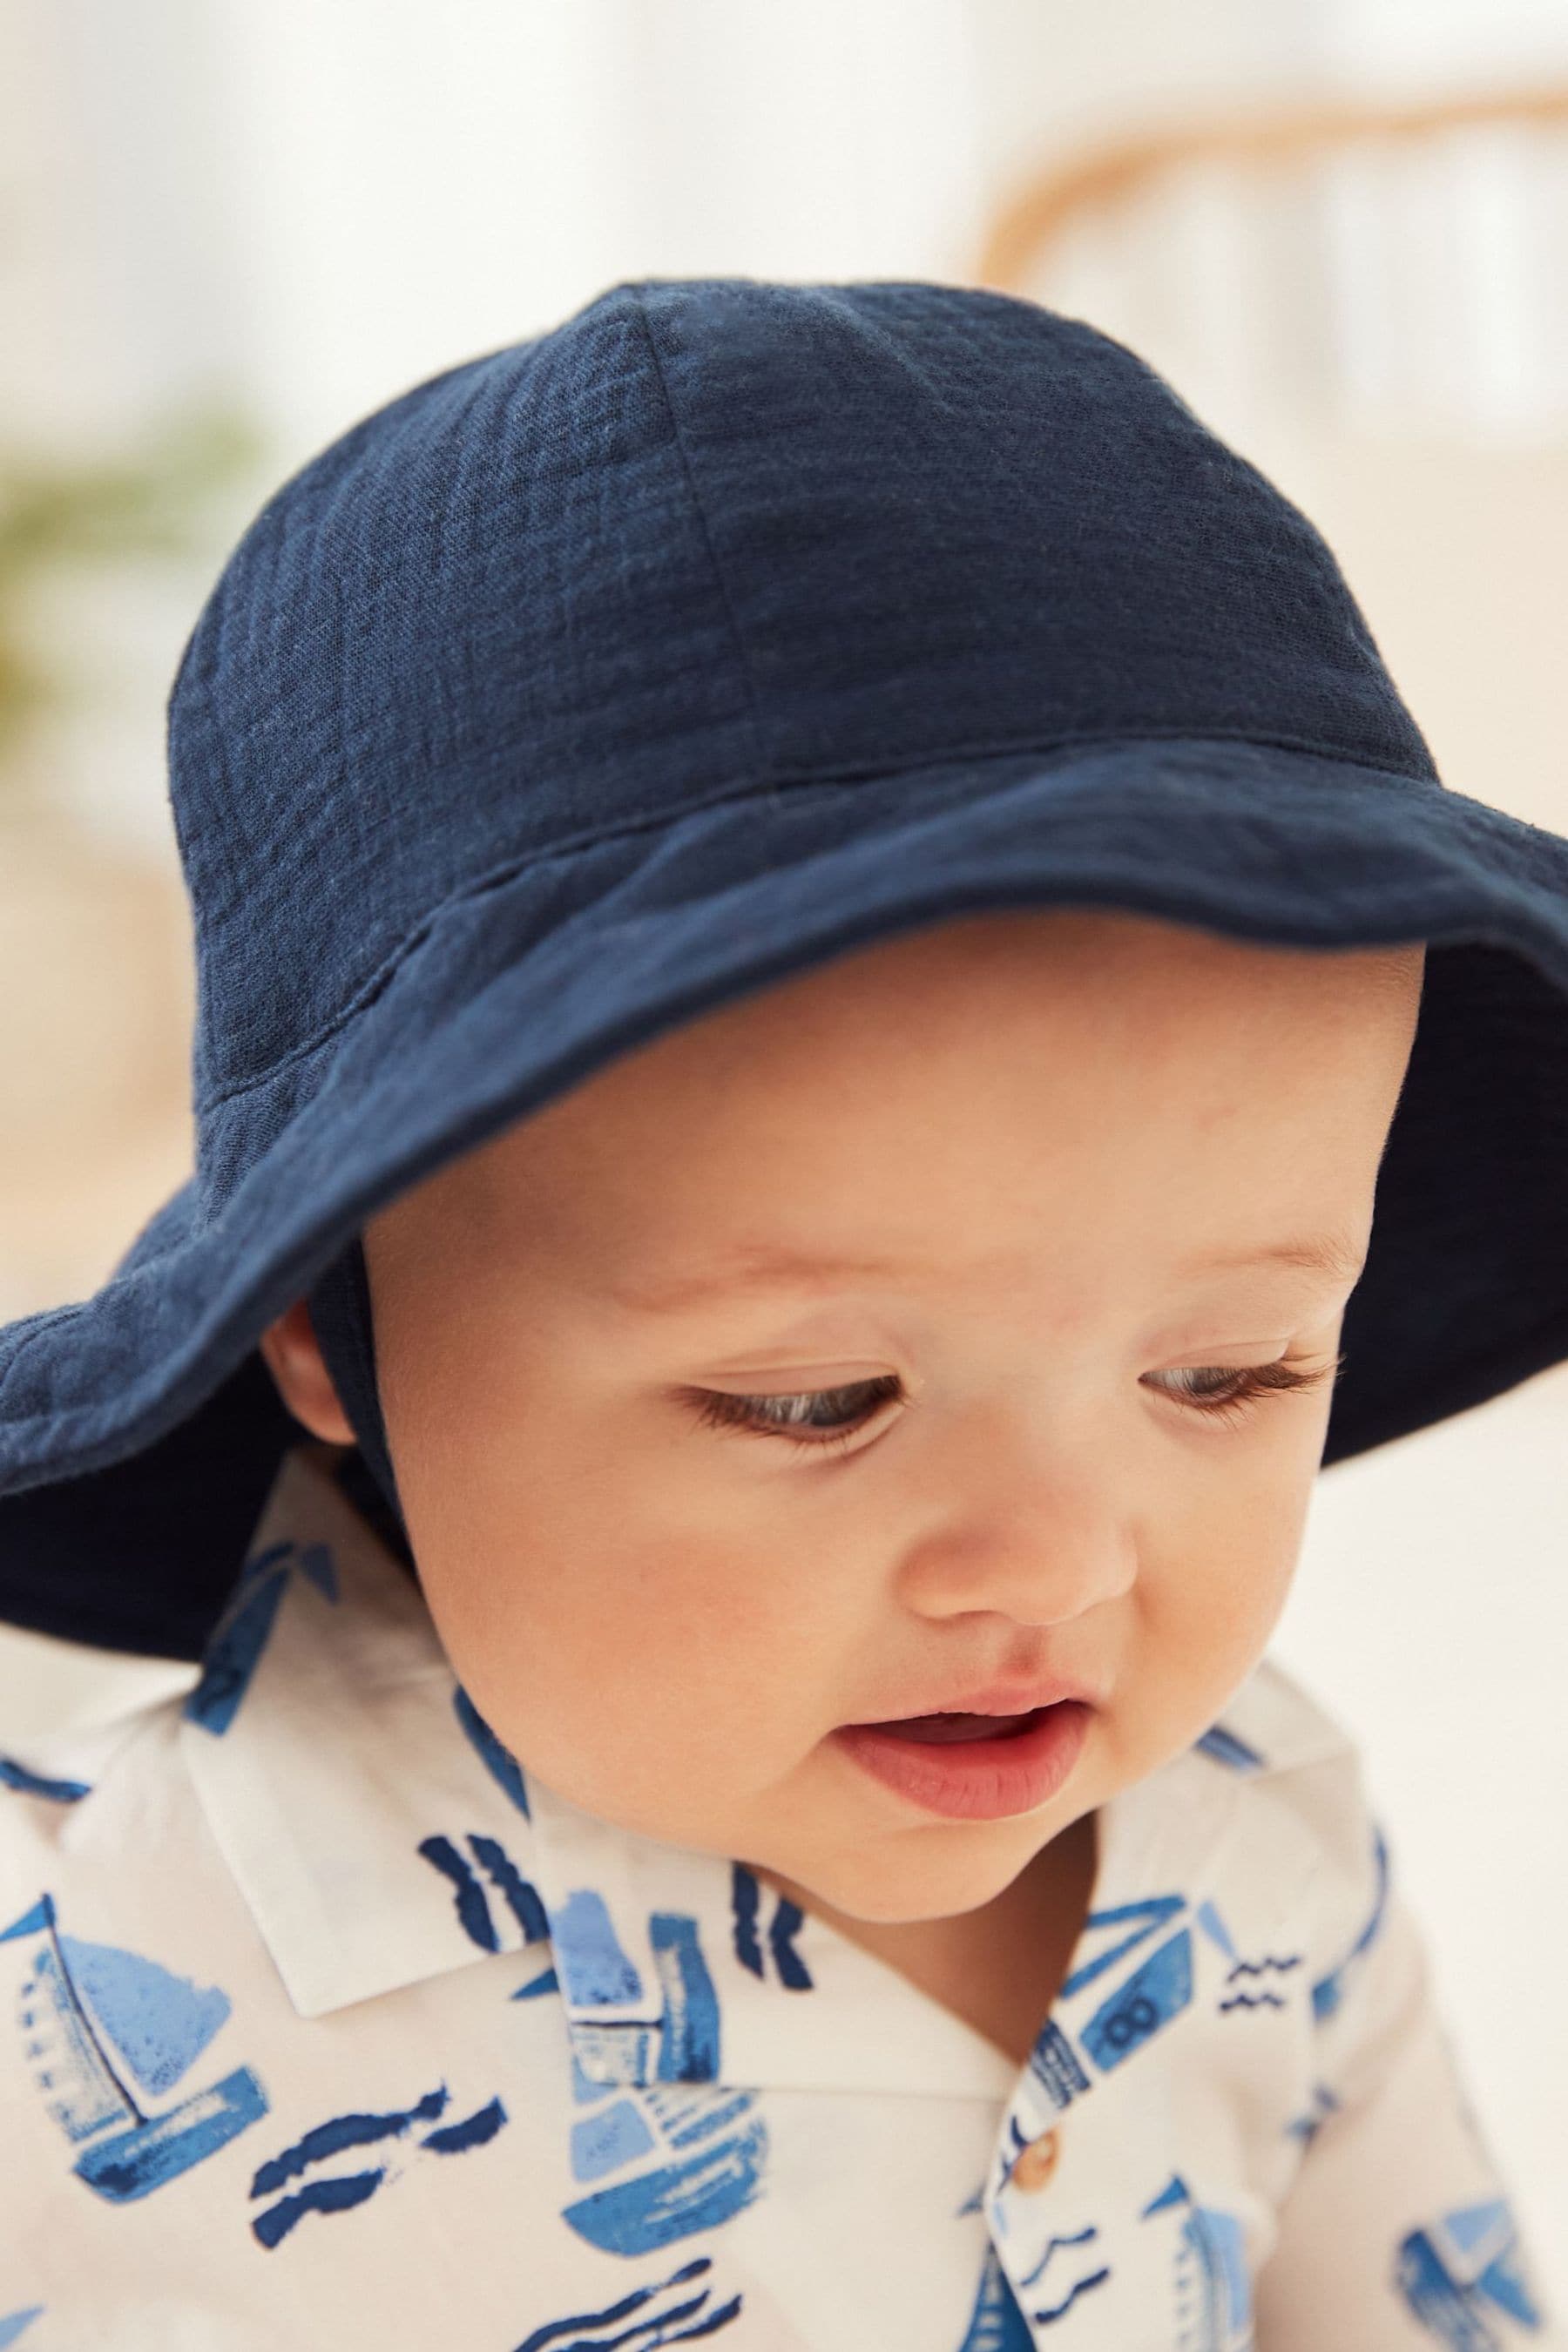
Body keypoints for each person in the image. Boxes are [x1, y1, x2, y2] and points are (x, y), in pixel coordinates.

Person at [1, 277, 1564, 2349]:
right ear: (313, 1321)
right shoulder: (84, 2005)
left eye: (1230, 1369)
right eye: (819, 1397)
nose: (1057, 1558)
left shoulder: (1268, 1846)